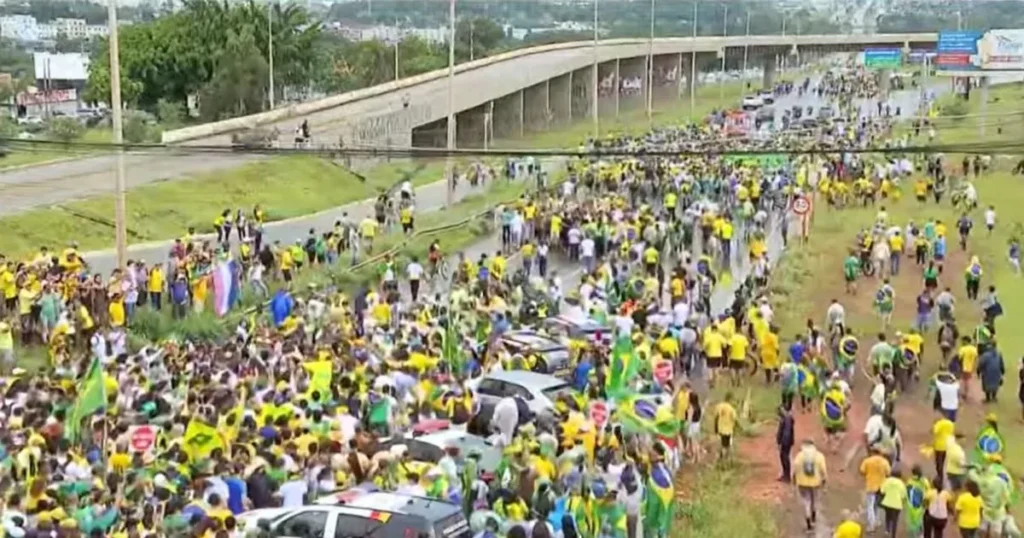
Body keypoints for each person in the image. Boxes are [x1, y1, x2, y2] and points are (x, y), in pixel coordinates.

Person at [793, 439, 827, 532]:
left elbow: (794, 468)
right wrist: (824, 479)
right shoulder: (819, 456)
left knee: (806, 501)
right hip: (816, 482)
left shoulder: (799, 456)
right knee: (815, 500)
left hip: (802, 482)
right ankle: (813, 515)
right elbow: (823, 470)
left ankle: (808, 518)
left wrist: (794, 479)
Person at [860, 447, 892, 533]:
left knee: (870, 506)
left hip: (871, 485)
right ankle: (877, 520)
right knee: (876, 505)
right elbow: (888, 473)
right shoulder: (884, 461)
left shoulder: (867, 461)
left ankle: (871, 525)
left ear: (872, 452)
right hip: (882, 486)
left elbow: (862, 471)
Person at [879, 466, 908, 538]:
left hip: (887, 502)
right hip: (897, 504)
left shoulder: (887, 480)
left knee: (888, 516)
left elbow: (882, 491)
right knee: (895, 520)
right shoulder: (901, 483)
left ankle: (887, 530)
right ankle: (893, 535)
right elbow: (903, 495)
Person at [776, 403, 795, 482]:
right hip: (786, 441)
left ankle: (787, 476)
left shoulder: (787, 418)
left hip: (785, 442)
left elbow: (786, 432)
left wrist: (782, 442)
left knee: (785, 457)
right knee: (783, 457)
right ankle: (785, 474)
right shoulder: (786, 418)